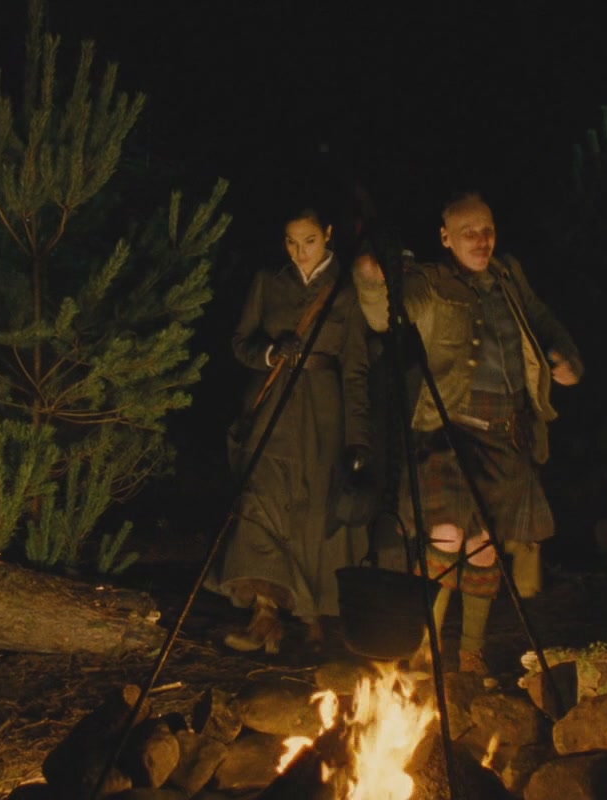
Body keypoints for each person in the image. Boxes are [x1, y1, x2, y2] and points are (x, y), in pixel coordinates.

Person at [352, 191, 583, 675]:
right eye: (469, 233)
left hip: (507, 433)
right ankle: (425, 646)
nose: (481, 241)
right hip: (450, 431)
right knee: (447, 534)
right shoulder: (431, 281)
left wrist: (564, 357)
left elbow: (540, 317)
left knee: (484, 546)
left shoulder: (508, 274)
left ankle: (471, 652)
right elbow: (388, 314)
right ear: (446, 238)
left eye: (487, 231)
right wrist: (372, 281)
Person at [213, 207, 374, 655]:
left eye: (309, 241)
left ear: (328, 235)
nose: (299, 252)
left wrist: (358, 438)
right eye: (291, 242)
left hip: (323, 413)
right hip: (272, 408)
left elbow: (356, 369)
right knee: (259, 502)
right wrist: (270, 353)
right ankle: (264, 613)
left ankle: (311, 616)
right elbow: (240, 342)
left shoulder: (346, 289)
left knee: (312, 513)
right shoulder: (269, 281)